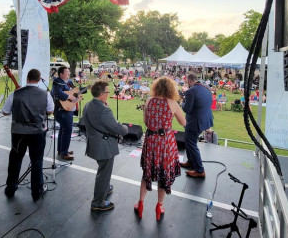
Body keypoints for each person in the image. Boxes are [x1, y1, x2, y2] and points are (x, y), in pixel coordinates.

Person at [134, 77, 186, 221]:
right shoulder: (173, 103)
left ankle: (141, 203)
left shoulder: (149, 101)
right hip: (165, 143)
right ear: (171, 89)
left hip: (150, 140)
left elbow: (146, 121)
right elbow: (183, 122)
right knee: (164, 175)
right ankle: (159, 206)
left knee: (147, 172)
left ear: (156, 87)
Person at [2, 69, 54, 201]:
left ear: (27, 79)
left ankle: (11, 188)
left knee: (15, 160)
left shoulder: (15, 94)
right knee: (37, 161)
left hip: (18, 133)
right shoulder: (45, 94)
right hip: (37, 132)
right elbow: (50, 111)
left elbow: (5, 112)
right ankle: (36, 192)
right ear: (39, 79)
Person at [83, 81, 128, 212]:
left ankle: (105, 187)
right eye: (107, 92)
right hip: (103, 146)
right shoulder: (103, 110)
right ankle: (98, 202)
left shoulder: (88, 105)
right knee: (104, 173)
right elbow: (116, 127)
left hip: (94, 143)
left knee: (103, 169)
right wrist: (125, 127)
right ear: (102, 94)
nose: (109, 94)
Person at [180, 73, 213, 178]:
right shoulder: (207, 87)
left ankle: (199, 170)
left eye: (186, 82)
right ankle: (191, 162)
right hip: (205, 119)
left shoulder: (190, 91)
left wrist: (182, 101)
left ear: (189, 81)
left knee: (192, 144)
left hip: (195, 122)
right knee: (188, 141)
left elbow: (187, 109)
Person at [51, 66, 80, 160]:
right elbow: (57, 93)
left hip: (68, 109)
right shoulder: (57, 82)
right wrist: (69, 97)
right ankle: (64, 152)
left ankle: (62, 150)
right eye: (67, 72)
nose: (68, 73)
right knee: (67, 130)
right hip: (61, 110)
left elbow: (75, 90)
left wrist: (79, 92)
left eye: (69, 72)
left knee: (63, 129)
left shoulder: (69, 82)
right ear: (61, 74)